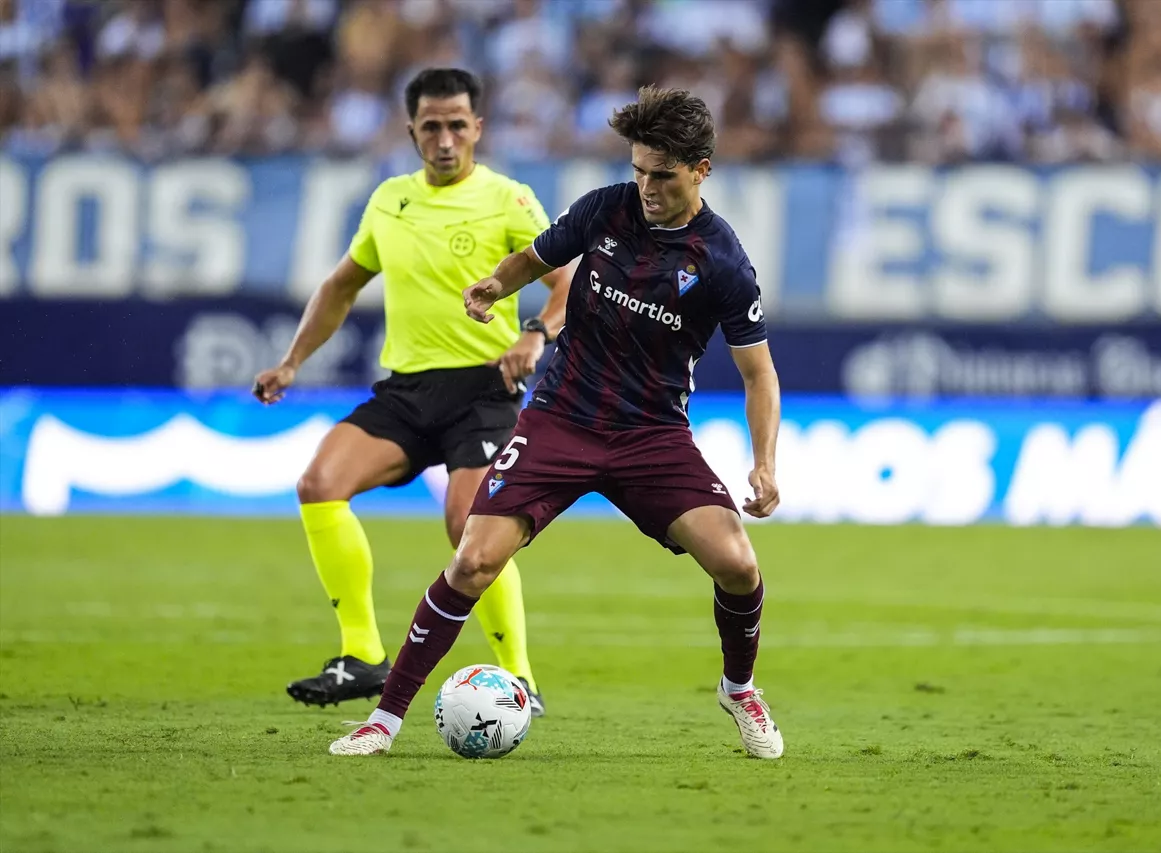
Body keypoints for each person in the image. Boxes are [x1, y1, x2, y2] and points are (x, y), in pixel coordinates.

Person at [329, 86, 784, 759]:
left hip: (651, 437)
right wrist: (494, 286)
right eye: (639, 170)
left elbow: (759, 374)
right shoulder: (605, 208)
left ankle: (739, 687)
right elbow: (536, 259)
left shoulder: (722, 262)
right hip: (560, 421)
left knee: (738, 564)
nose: (647, 186)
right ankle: (384, 719)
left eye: (663, 174)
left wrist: (765, 463)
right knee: (473, 560)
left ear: (701, 169)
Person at [252, 68, 572, 715]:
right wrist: (290, 362)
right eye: (432, 126)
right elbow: (342, 286)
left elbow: (566, 281)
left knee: (469, 526)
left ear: (478, 127)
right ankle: (363, 655)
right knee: (319, 483)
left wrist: (534, 335)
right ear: (412, 131)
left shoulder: (509, 200)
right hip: (407, 390)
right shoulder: (389, 201)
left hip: (484, 390)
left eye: (458, 125)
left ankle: (521, 678)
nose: (446, 138)